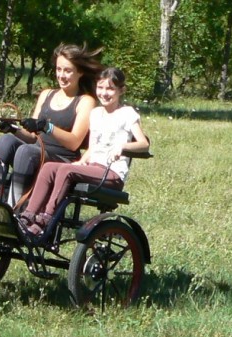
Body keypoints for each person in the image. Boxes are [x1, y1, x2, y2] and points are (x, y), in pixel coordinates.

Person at [18, 67, 150, 245]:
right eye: (101, 87)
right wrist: (82, 161)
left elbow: (144, 144)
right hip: (93, 167)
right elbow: (94, 146)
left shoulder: (127, 114)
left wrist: (122, 146)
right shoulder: (95, 114)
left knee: (65, 170)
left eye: (110, 89)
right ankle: (27, 216)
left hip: (111, 174)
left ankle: (45, 220)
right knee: (49, 167)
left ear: (121, 90)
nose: (104, 93)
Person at [0, 43, 104, 207]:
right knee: (6, 141)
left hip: (62, 158)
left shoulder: (86, 101)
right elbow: (31, 137)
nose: (62, 75)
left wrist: (46, 127)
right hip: (37, 150)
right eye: (59, 69)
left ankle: (13, 209)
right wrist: (12, 129)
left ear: (80, 72)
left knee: (25, 152)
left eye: (68, 71)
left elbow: (74, 142)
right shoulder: (46, 95)